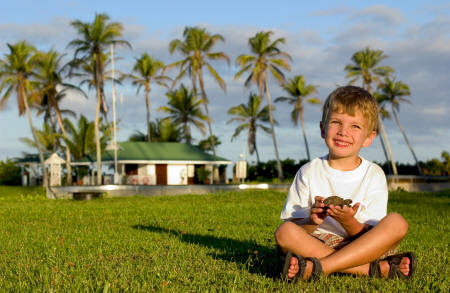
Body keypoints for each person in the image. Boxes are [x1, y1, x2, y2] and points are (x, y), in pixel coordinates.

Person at [274, 85, 416, 281]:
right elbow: (295, 229)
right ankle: (373, 270)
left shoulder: (373, 174)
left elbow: (370, 235)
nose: (343, 131)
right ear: (323, 129)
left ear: (368, 138)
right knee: (284, 232)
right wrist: (312, 222)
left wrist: (349, 222)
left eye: (355, 126)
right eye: (336, 122)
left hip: (362, 246)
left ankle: (318, 268)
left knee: (397, 223)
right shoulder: (308, 171)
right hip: (318, 242)